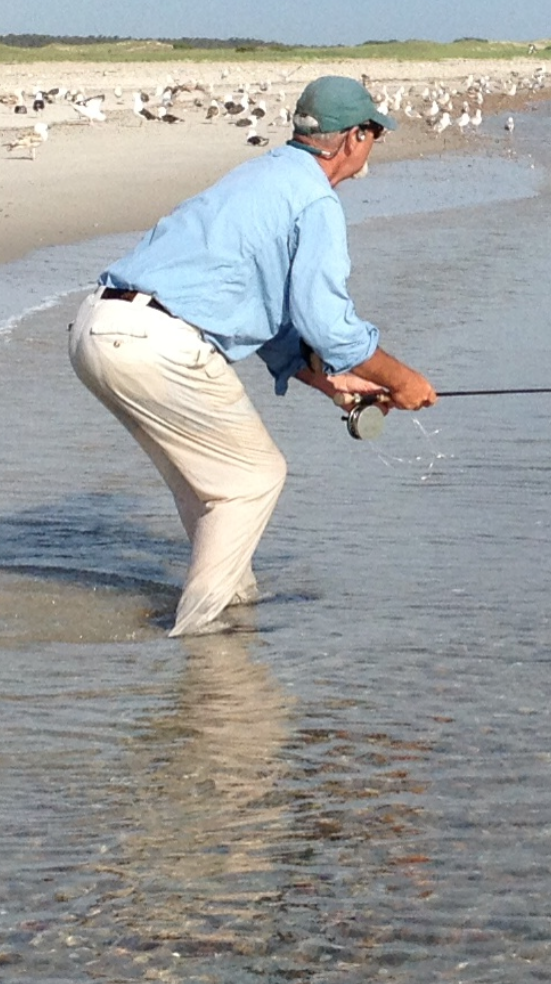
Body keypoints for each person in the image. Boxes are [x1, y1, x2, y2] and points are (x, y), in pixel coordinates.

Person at [68, 75, 438, 637]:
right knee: (255, 478)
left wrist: (327, 382)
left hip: (96, 327)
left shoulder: (261, 174)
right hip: (157, 342)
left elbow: (251, 303)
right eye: (373, 135)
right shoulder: (315, 199)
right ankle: (198, 641)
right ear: (352, 138)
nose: (372, 148)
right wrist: (404, 379)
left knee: (206, 487)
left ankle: (233, 607)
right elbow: (329, 326)